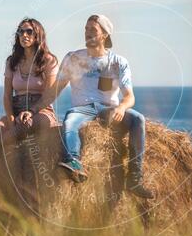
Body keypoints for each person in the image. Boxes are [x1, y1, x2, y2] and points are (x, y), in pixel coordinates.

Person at [28, 14, 155, 199]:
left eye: (93, 30)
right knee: (70, 122)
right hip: (83, 109)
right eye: (86, 29)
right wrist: (32, 110)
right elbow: (54, 91)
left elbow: (129, 97)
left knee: (138, 119)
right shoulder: (73, 58)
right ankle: (73, 162)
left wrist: (120, 108)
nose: (87, 33)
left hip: (108, 109)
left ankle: (134, 178)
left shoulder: (118, 62)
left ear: (104, 35)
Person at [0, 18, 58, 172]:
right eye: (21, 31)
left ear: (37, 35)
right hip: (16, 109)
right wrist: (12, 119)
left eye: (29, 31)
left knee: (12, 136)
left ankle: (1, 172)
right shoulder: (12, 62)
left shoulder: (49, 60)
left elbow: (50, 95)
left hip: (40, 111)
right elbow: (6, 95)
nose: (24, 35)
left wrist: (31, 112)